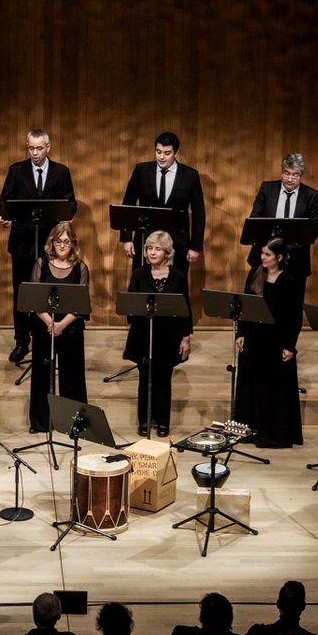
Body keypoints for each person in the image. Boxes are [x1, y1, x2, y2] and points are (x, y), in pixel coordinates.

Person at [0, 128, 77, 364]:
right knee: (23, 294)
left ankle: (48, 336)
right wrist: (5, 214)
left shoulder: (61, 171)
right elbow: (4, 200)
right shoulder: (16, 170)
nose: (34, 152)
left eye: (39, 148)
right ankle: (22, 341)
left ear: (48, 147)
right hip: (22, 243)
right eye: (30, 147)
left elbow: (70, 201)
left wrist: (67, 214)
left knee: (47, 293)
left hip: (51, 245)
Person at [232, 237, 303, 448]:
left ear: (279, 258)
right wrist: (241, 333)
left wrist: (290, 346)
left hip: (276, 343)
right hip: (253, 339)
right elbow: (244, 305)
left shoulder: (289, 281)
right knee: (250, 385)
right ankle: (249, 430)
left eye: (267, 255)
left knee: (273, 389)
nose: (262, 258)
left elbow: (294, 318)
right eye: (262, 254)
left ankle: (272, 433)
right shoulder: (255, 274)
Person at [124, 230, 191, 437]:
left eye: (157, 249)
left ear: (167, 252)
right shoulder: (139, 274)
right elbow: (130, 307)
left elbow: (185, 308)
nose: (152, 253)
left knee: (164, 379)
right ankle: (144, 419)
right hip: (143, 335)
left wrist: (186, 337)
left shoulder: (178, 277)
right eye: (149, 248)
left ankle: (163, 421)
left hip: (168, 337)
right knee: (145, 378)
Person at [26, 221, 89, 434]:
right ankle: (41, 422)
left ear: (73, 244)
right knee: (42, 374)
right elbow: (33, 299)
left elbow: (81, 304)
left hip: (70, 328)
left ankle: (73, 424)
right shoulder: (41, 264)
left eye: (67, 242)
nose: (62, 246)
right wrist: (50, 322)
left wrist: (62, 324)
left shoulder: (80, 267)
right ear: (51, 243)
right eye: (58, 241)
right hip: (45, 327)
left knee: (72, 376)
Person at [121, 132, 206, 274]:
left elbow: (199, 212)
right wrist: (126, 238)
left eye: (167, 153)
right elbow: (127, 204)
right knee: (142, 283)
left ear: (176, 153)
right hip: (146, 239)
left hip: (178, 242)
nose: (161, 157)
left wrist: (195, 246)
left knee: (176, 286)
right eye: (158, 152)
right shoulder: (142, 171)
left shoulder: (190, 175)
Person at [245, 151, 318, 279]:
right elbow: (255, 220)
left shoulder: (311, 195)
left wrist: (285, 251)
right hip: (265, 258)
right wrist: (271, 249)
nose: (290, 179)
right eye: (287, 173)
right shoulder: (267, 189)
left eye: (295, 175)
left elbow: (312, 231)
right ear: (282, 172)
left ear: (301, 175)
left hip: (296, 261)